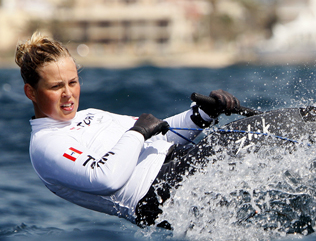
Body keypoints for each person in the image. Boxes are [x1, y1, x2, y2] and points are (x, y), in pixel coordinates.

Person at [17, 33, 240, 229]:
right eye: (56, 86)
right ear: (31, 92)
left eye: (73, 82)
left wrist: (203, 114)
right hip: (159, 195)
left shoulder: (90, 115)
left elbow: (162, 134)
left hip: (182, 162)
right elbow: (105, 179)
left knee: (248, 140)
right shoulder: (45, 145)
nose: (68, 93)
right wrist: (137, 133)